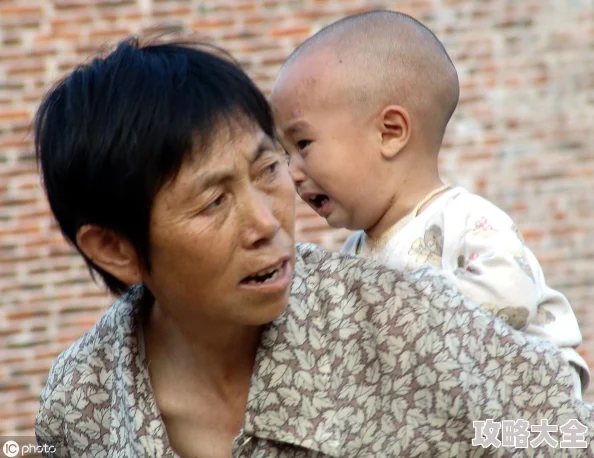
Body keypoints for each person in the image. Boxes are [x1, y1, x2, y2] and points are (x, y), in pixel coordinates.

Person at [34, 38, 594, 458]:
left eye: (269, 169)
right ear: (114, 248)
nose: (267, 223)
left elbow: (573, 432)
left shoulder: (400, 317)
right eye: (212, 203)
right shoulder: (82, 401)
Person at [270, 10, 589, 399]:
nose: (293, 172)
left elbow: (511, 296)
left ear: (391, 133)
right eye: (285, 155)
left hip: (532, 400)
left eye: (302, 145)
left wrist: (402, 319)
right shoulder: (354, 253)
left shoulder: (466, 219)